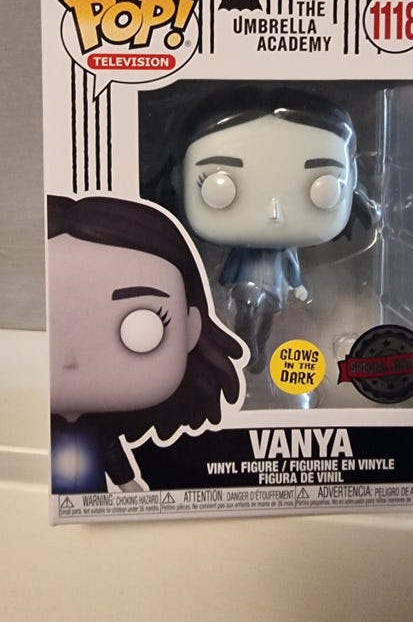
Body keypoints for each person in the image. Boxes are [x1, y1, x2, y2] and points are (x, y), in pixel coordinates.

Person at [48, 194, 245, 494]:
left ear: (191, 326)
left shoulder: (99, 429)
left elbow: (113, 455)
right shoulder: (39, 425)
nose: (72, 358)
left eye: (142, 326)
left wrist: (129, 484)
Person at [178, 86, 374, 371]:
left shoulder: (283, 252)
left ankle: (255, 350)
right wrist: (221, 286)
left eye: (323, 187)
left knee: (268, 319)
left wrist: (299, 288)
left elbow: (291, 270)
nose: (274, 212)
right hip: (246, 291)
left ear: (351, 177)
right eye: (219, 189)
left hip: (274, 293)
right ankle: (247, 348)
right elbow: (232, 270)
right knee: (246, 315)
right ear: (180, 177)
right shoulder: (248, 252)